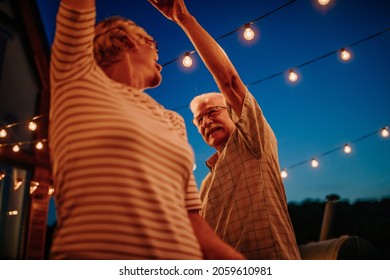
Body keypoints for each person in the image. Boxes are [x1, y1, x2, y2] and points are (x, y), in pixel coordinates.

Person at [49, 0, 244, 260]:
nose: (160, 61)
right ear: (130, 41)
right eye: (154, 45)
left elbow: (190, 219)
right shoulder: (78, 82)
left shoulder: (172, 121)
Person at [149, 0, 301, 259]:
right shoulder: (204, 186)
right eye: (199, 120)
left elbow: (230, 82)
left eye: (213, 112)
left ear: (235, 114)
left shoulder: (255, 145)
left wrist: (184, 18)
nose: (206, 121)